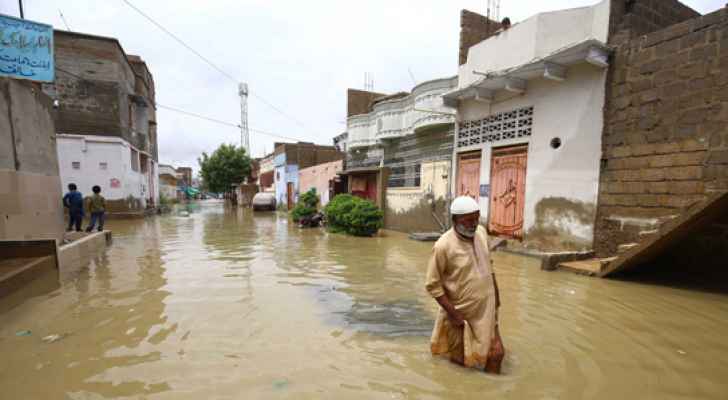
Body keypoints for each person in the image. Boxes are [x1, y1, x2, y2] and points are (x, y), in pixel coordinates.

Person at [425, 196, 505, 373]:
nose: (473, 224)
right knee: (460, 363)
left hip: (487, 311)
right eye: (468, 220)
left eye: (476, 219)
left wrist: (497, 300)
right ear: (454, 220)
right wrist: (454, 315)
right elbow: (432, 285)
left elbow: (490, 268)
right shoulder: (443, 246)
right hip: (460, 316)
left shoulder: (482, 234)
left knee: (496, 355)